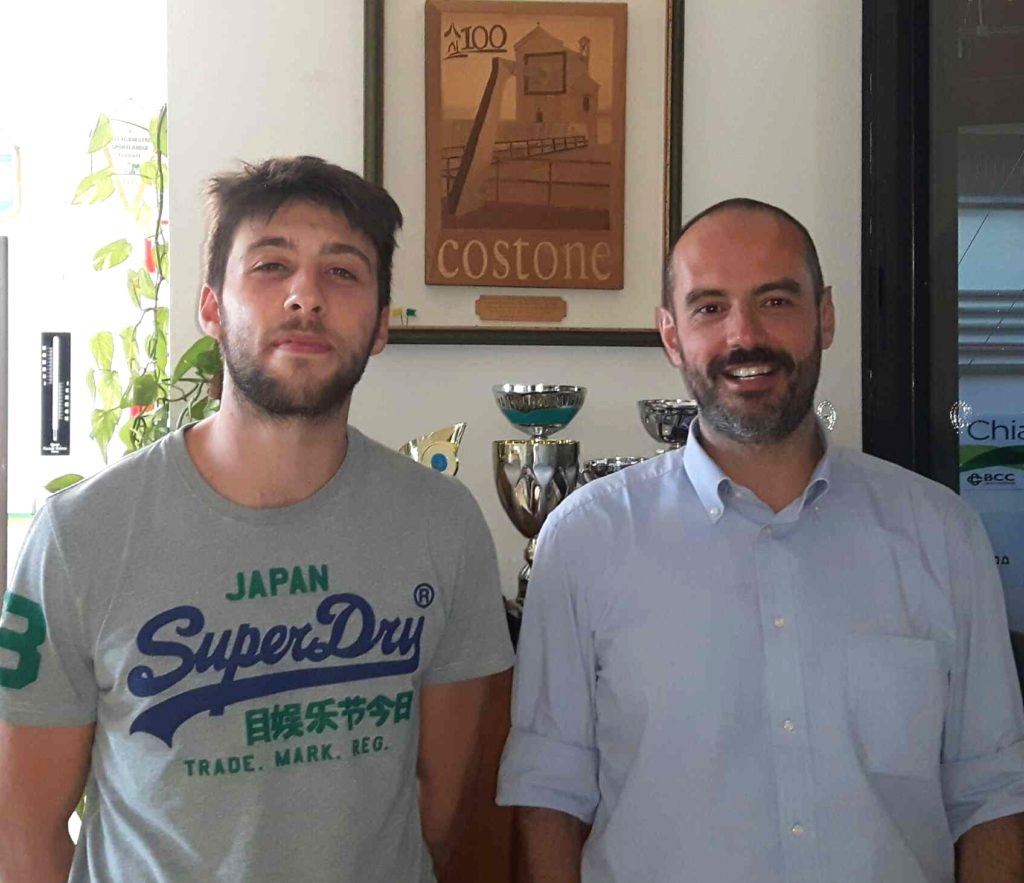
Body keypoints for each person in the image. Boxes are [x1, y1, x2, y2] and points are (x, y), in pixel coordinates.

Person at [0, 156, 514, 883]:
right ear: (212, 308)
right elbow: (23, 828)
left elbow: (440, 807)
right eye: (271, 266)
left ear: (379, 327)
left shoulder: (444, 524)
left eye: (343, 272)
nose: (306, 296)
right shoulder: (79, 535)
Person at [497, 198, 1024, 882]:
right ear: (671, 336)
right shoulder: (585, 541)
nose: (744, 335)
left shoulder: (942, 534)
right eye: (710, 308)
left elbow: (991, 795)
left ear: (824, 316)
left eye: (775, 301)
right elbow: (548, 798)